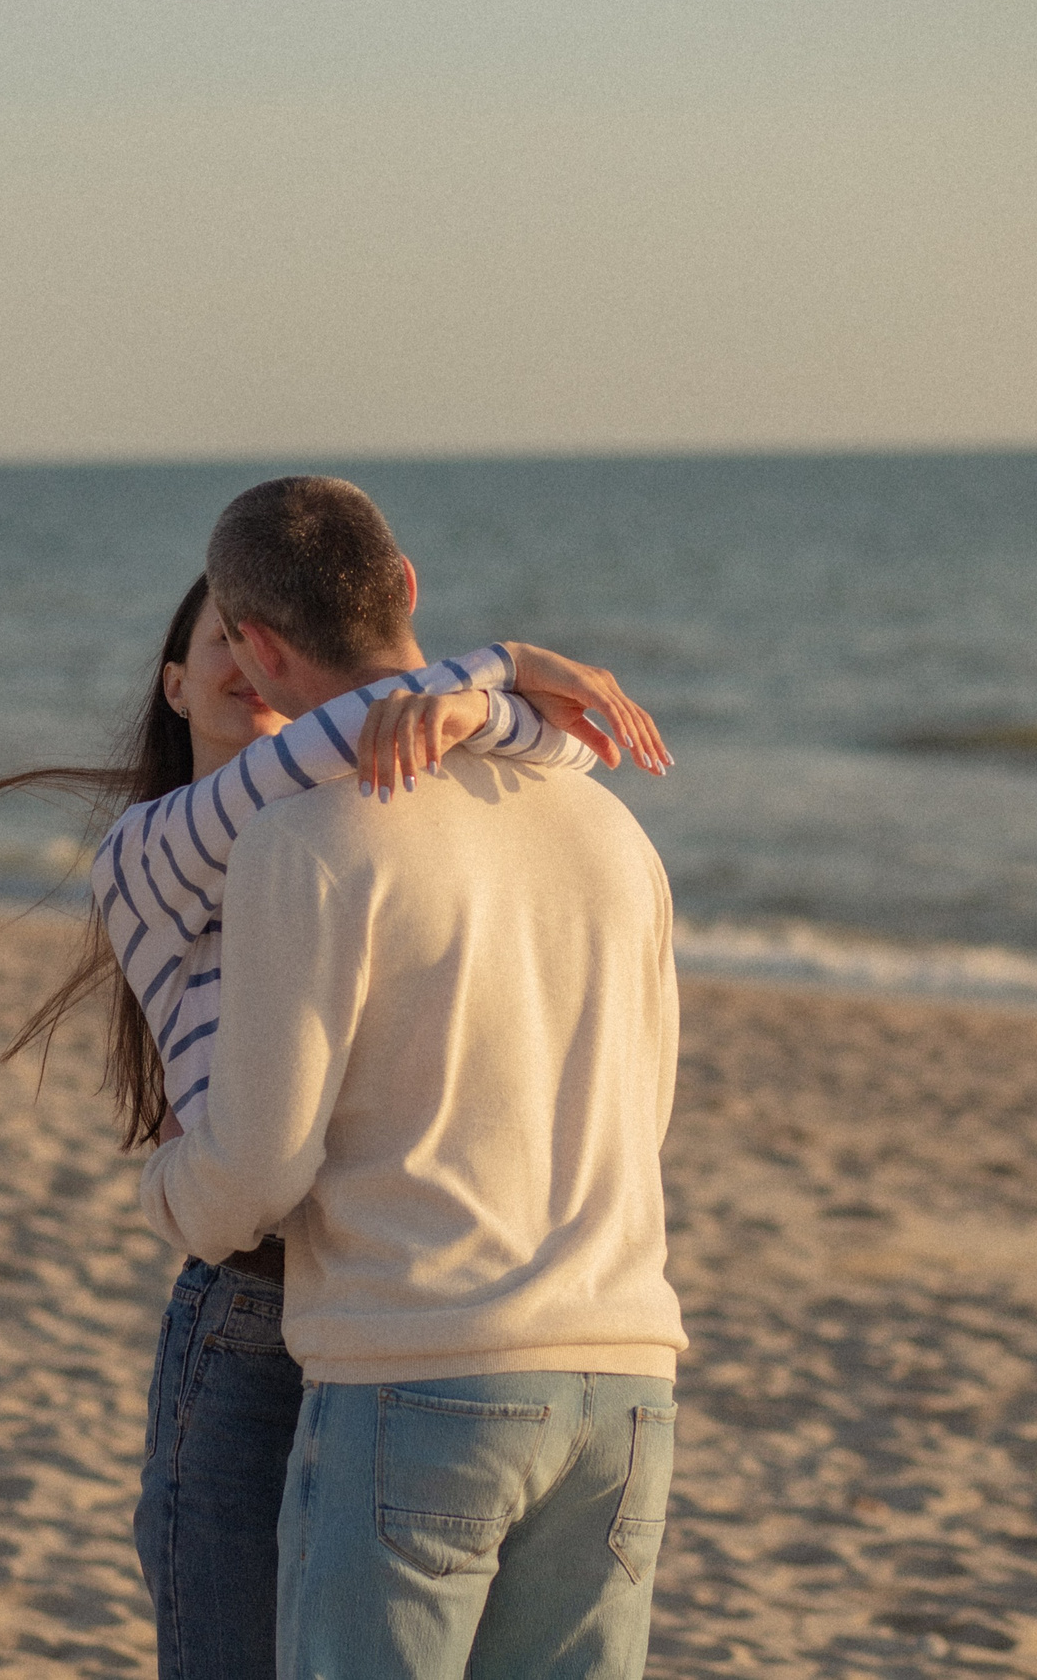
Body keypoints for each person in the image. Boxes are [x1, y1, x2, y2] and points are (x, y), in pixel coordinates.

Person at [0, 563, 665, 1680]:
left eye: (245, 638)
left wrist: (483, 700)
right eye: (214, 642)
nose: (239, 665)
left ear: (271, 654)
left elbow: (517, 751)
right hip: (273, 1297)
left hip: (397, 1311)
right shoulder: (180, 845)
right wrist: (494, 675)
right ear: (181, 679)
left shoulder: (349, 813)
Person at [138, 476, 687, 1677]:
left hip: (424, 1372)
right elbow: (644, 1110)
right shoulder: (609, 828)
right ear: (408, 593)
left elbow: (257, 1165)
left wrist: (165, 1194)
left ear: (260, 646)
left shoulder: (308, 838)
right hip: (625, 1376)